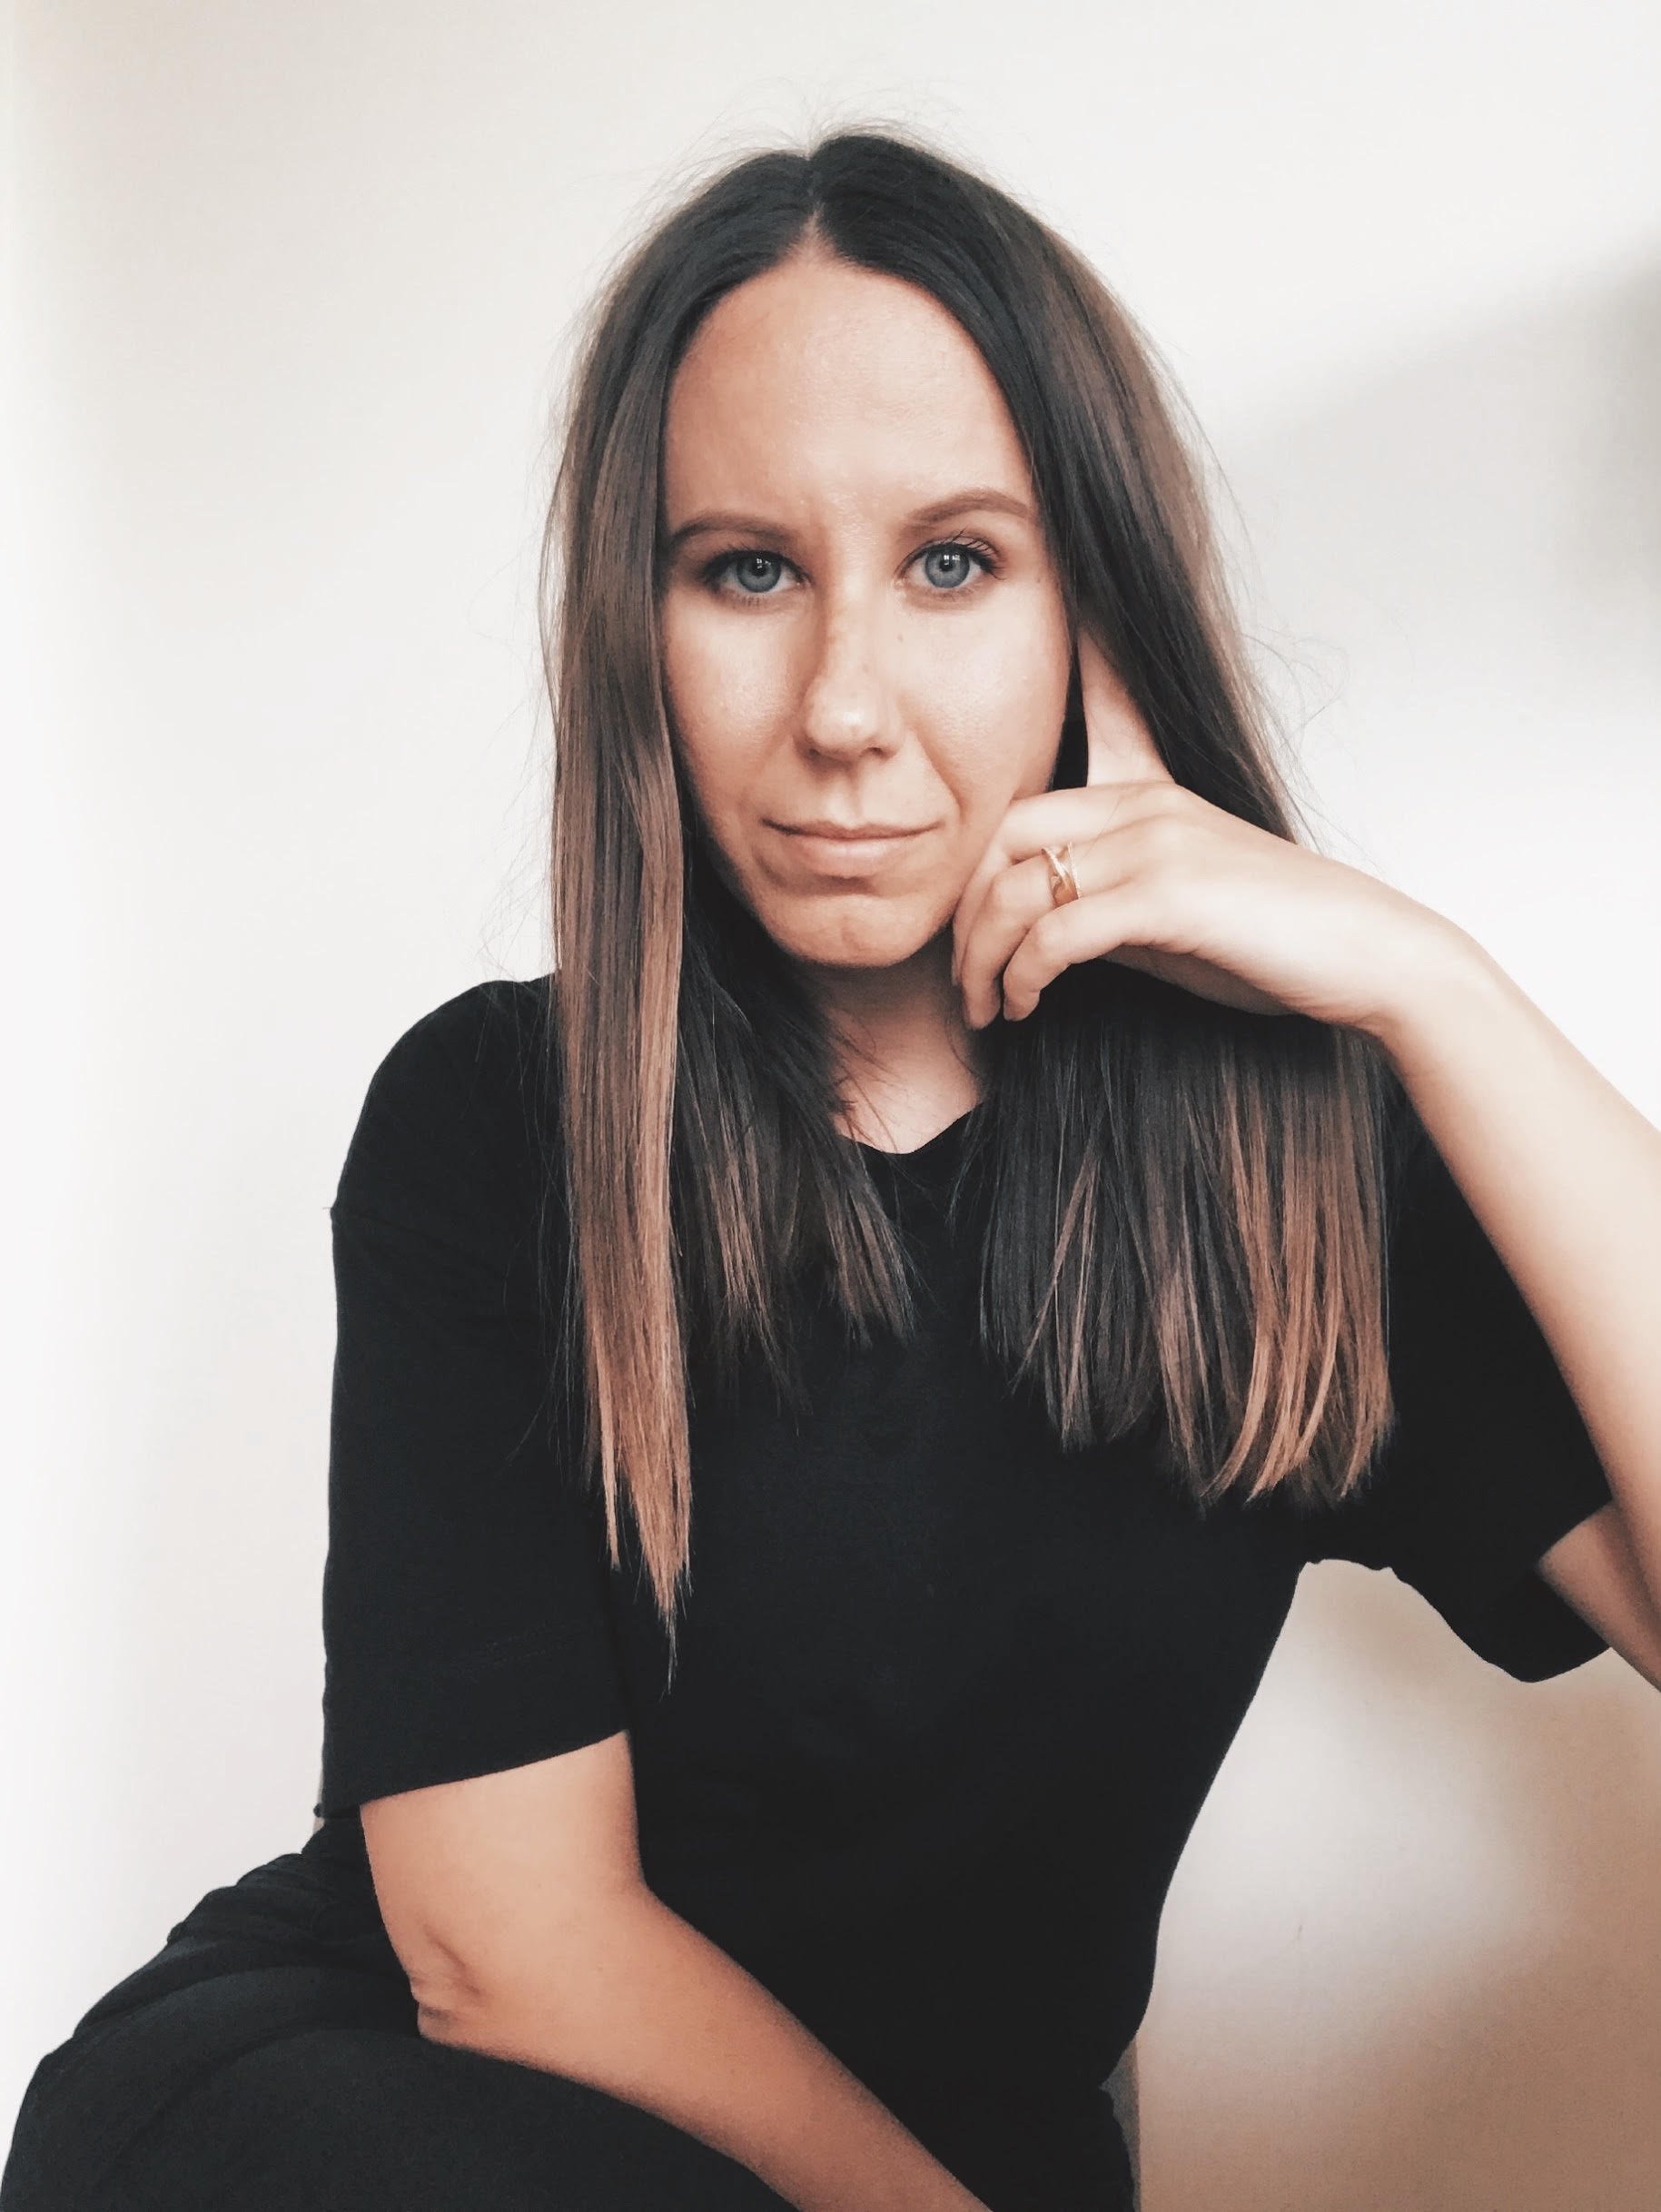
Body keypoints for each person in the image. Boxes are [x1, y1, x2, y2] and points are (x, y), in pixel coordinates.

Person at [5, 124, 1657, 2212]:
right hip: (411, 2121)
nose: (844, 707)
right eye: (748, 570)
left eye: (954, 563)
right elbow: (505, 1951)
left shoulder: (1300, 1171)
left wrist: (1439, 990)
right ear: (645, 625)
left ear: (1096, 612)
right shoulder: (497, 1124)